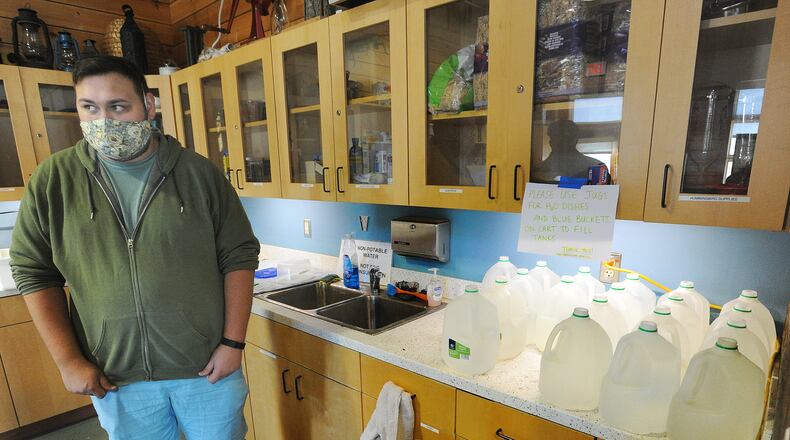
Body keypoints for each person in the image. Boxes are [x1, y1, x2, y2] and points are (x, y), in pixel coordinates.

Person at [10, 56, 259, 440]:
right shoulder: (53, 181)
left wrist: (232, 343)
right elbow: (33, 271)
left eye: (118, 107)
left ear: (149, 105)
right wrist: (68, 360)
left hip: (206, 370)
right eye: (89, 108)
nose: (104, 122)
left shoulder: (199, 174)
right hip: (116, 378)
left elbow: (238, 257)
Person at [531, 119, 607, 184]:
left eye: (566, 138)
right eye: (558, 137)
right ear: (551, 142)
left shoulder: (597, 169)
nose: (562, 142)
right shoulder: (538, 171)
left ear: (575, 140)